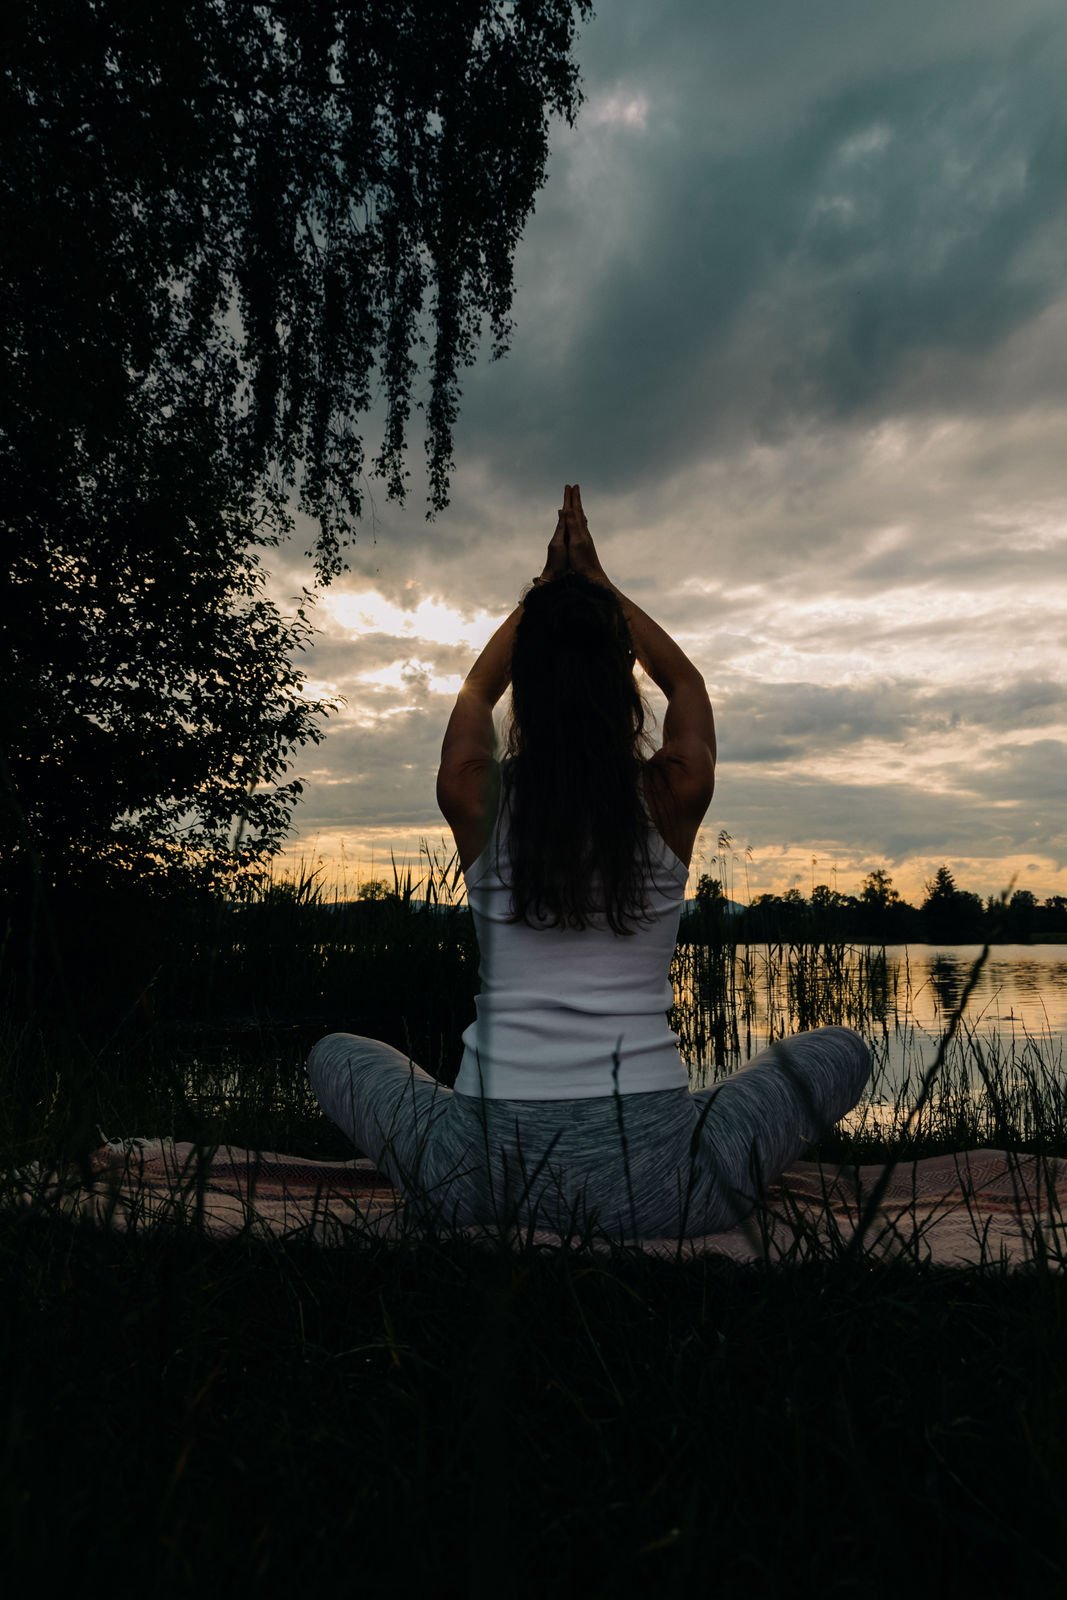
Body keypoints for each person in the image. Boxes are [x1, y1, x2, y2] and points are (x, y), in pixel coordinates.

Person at [307, 484, 871, 1238]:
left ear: (528, 691)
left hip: (474, 1181)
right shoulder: (672, 793)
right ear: (620, 685)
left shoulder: (476, 797)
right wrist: (600, 593)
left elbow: (477, 688)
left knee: (334, 1054)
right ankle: (684, 1118)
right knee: (841, 1049)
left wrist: (547, 597)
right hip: (662, 1191)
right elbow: (687, 685)